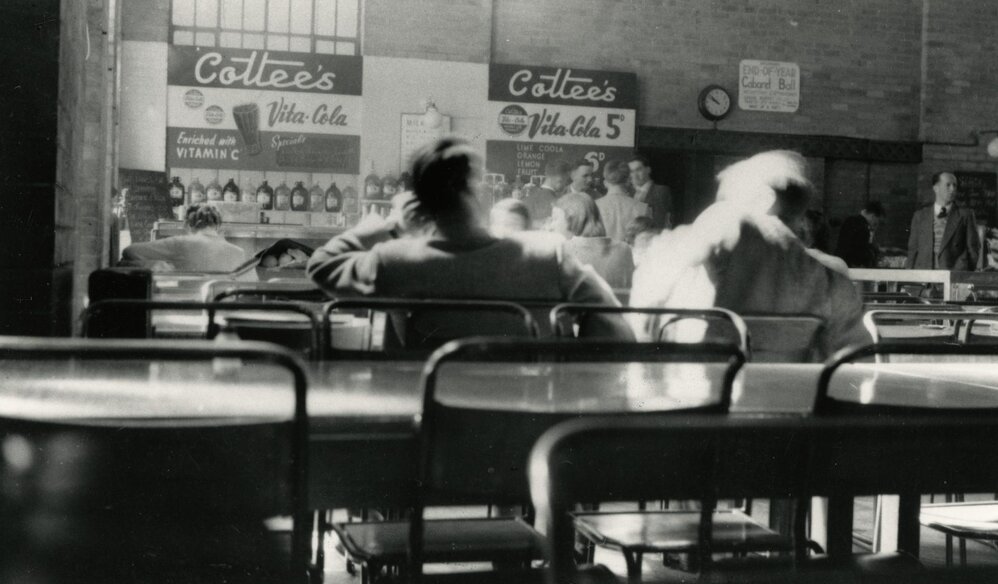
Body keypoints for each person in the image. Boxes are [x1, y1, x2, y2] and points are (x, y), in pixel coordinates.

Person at [306, 137, 633, 340]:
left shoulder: (395, 260)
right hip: (531, 422)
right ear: (481, 191)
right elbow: (614, 326)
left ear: (418, 200)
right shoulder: (549, 253)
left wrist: (391, 226)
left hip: (439, 424)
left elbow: (321, 266)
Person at [629, 150, 871, 361]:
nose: (717, 205)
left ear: (764, 201)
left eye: (728, 198)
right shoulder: (832, 284)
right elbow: (856, 365)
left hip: (701, 402)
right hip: (793, 405)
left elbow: (642, 324)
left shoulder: (719, 235)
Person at [119, 204, 248, 272]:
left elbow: (130, 251)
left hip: (188, 304)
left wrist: (159, 264)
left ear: (187, 225)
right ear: (218, 226)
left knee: (124, 263)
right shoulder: (239, 252)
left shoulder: (180, 243)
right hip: (222, 309)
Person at [551, 193, 634, 289]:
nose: (551, 226)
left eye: (555, 219)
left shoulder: (560, 253)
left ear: (573, 219)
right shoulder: (624, 249)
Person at [906, 172, 980, 271]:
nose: (952, 189)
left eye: (955, 185)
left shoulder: (965, 215)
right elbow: (913, 249)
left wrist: (965, 275)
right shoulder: (920, 216)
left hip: (953, 276)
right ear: (936, 188)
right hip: (924, 275)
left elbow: (973, 249)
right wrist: (909, 275)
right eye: (948, 185)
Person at [596, 160, 650, 243]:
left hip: (602, 254)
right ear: (628, 180)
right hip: (630, 255)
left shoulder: (593, 206)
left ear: (605, 181)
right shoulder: (643, 208)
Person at [628, 154, 672, 229]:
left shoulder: (660, 191)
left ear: (648, 170)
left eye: (638, 170)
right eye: (631, 171)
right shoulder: (628, 193)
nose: (634, 175)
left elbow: (660, 221)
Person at [835, 202, 884, 268]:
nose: (875, 226)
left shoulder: (850, 220)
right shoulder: (863, 228)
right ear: (873, 216)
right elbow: (860, 252)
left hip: (839, 262)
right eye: (876, 223)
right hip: (850, 266)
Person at [521, 160, 569, 224]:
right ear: (559, 180)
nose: (566, 184)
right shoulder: (558, 203)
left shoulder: (526, 199)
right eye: (566, 180)